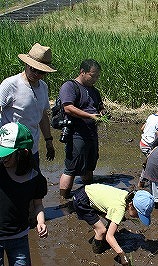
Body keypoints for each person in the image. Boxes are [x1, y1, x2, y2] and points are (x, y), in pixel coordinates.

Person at [0, 43, 56, 166]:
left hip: (32, 148)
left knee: (33, 182)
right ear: (26, 64)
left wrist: (49, 141)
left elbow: (42, 115)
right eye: (33, 69)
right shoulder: (10, 84)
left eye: (41, 72)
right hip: (10, 150)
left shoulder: (43, 87)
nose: (36, 74)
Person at [58, 59, 107, 199]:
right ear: (82, 72)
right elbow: (68, 107)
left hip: (91, 133)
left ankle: (88, 194)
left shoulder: (94, 91)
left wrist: (103, 112)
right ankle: (64, 198)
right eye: (93, 75)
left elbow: (100, 106)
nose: (95, 79)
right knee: (72, 168)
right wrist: (90, 116)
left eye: (97, 76)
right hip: (76, 133)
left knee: (90, 165)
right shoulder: (70, 86)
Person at [0, 122, 48, 265]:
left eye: (7, 155)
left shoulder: (35, 178)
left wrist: (41, 221)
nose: (3, 159)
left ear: (23, 152)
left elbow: (38, 204)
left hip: (19, 236)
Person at [73, 184, 154, 265]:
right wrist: (122, 254)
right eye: (138, 214)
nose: (137, 217)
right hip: (82, 201)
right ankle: (97, 250)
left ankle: (103, 239)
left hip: (90, 192)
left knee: (111, 220)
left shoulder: (126, 196)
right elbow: (109, 236)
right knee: (101, 231)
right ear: (131, 205)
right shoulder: (119, 210)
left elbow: (113, 206)